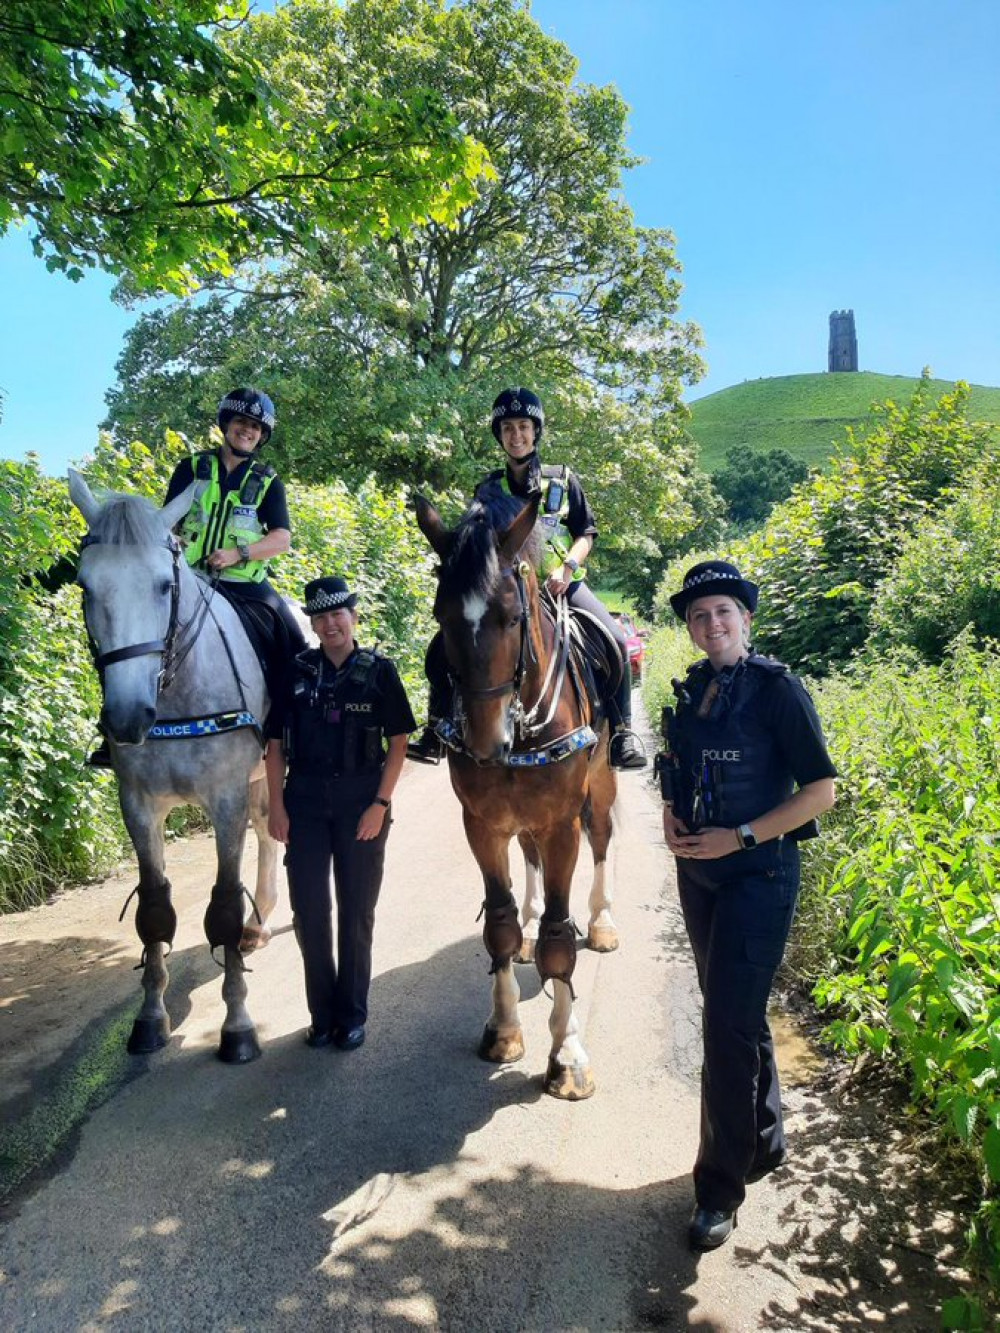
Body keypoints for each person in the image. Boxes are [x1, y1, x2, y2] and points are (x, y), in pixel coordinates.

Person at [657, 559, 836, 1251]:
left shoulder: (778, 691)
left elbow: (821, 789)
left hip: (759, 875)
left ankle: (718, 1190)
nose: (712, 624)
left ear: (746, 618)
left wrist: (741, 835)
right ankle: (761, 1140)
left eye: (723, 611)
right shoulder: (695, 689)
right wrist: (673, 816)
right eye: (699, 615)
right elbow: (680, 771)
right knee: (737, 1015)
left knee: (725, 1029)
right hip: (699, 877)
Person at [407, 387, 647, 769]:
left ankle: (621, 735)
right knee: (444, 645)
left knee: (615, 639)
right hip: (505, 591)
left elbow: (587, 532)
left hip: (562, 586)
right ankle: (437, 729)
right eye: (507, 428)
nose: (515, 435)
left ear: (536, 431)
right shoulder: (487, 489)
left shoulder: (562, 481)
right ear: (499, 434)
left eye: (523, 426)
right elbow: (475, 544)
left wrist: (566, 567)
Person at [87, 386, 305, 767]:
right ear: (226, 424)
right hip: (188, 580)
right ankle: (113, 734)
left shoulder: (269, 481)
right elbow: (166, 523)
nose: (247, 430)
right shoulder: (191, 468)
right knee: (128, 636)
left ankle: (290, 732)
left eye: (255, 427)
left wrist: (238, 554)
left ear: (262, 435)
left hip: (246, 585)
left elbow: (282, 538)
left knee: (294, 641)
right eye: (241, 422)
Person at [265, 576, 416, 1051]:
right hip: (304, 803)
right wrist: (276, 806)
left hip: (361, 804)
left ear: (353, 616)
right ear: (311, 622)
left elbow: (399, 741)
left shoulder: (379, 672)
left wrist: (381, 804)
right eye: (321, 616)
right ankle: (322, 1015)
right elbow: (274, 746)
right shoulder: (296, 672)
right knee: (310, 913)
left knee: (356, 914)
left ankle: (351, 1015)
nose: (330, 624)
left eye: (338, 614)